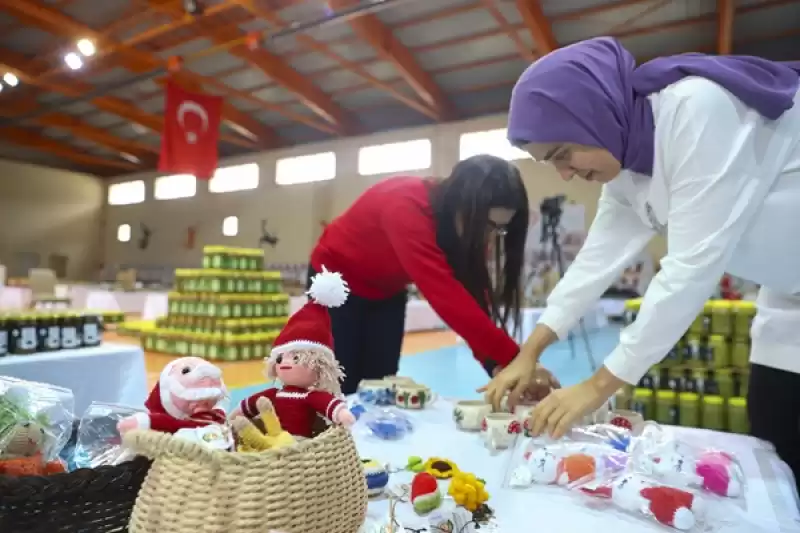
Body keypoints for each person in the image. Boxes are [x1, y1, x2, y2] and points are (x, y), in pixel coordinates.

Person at [482, 37, 800, 485]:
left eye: (562, 154)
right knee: (776, 423)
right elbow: (595, 262)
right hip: (787, 295)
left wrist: (596, 388)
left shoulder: (696, 109)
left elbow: (688, 272)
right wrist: (528, 352)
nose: (566, 174)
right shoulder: (628, 165)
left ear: (593, 115)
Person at [309, 154, 560, 395]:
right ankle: (324, 438)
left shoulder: (470, 228)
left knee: (378, 385)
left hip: (386, 291)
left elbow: (473, 301)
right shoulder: (405, 205)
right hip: (334, 282)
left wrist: (496, 364)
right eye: (488, 226)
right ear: (461, 205)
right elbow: (447, 297)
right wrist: (518, 359)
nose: (490, 236)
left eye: (500, 229)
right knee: (338, 383)